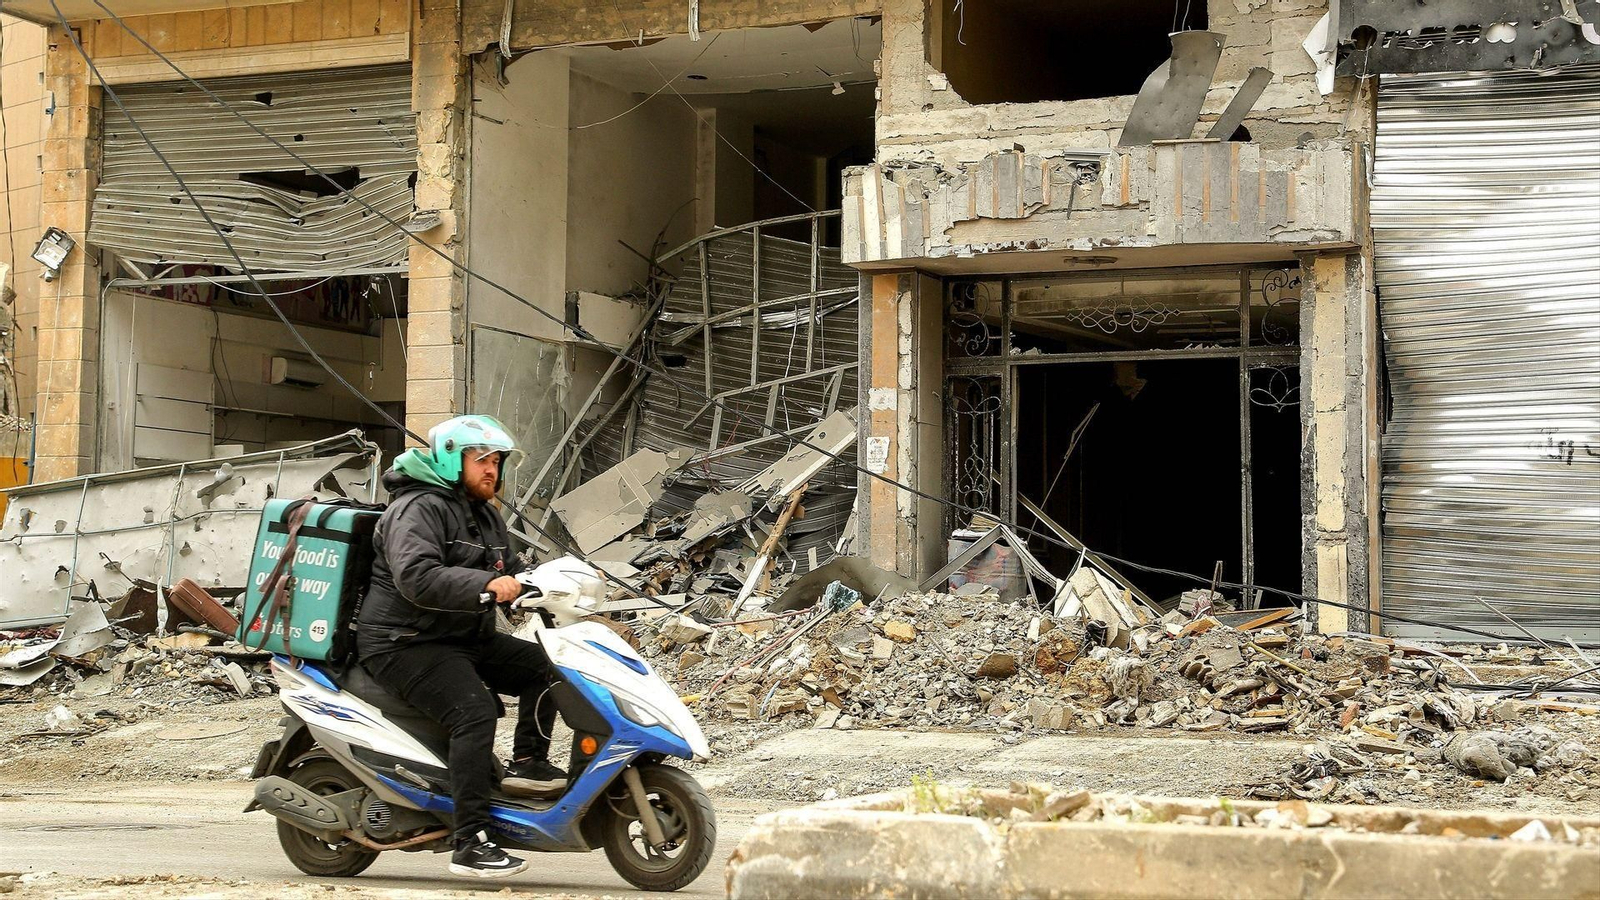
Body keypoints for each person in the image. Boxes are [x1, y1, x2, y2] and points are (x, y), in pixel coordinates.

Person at [356, 414, 565, 879]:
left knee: (550, 668)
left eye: (496, 461)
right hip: (405, 641)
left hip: (462, 636)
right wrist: (492, 584)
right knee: (473, 711)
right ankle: (470, 840)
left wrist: (542, 587)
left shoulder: (485, 512)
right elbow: (417, 577)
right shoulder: (417, 509)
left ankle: (529, 764)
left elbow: (508, 567)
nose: (492, 470)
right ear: (453, 459)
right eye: (481, 460)